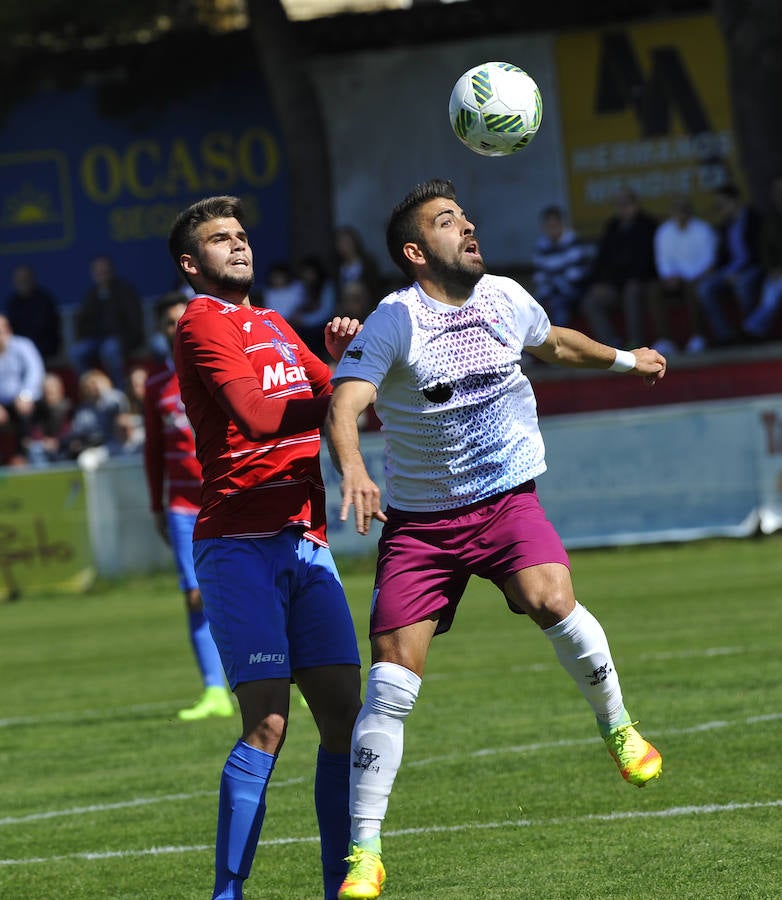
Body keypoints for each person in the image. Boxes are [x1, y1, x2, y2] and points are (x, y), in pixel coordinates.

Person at [324, 179, 665, 900]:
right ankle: (365, 853)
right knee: (390, 680)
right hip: (422, 525)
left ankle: (619, 727)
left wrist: (627, 360)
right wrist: (354, 471)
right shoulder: (394, 320)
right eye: (449, 222)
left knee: (550, 598)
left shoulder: (506, 295)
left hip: (506, 502)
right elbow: (345, 404)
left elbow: (554, 344)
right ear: (417, 252)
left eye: (466, 217)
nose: (469, 227)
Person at [168, 195, 364, 900]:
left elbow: (348, 398)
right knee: (269, 723)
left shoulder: (277, 324)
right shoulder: (199, 323)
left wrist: (357, 361)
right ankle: (228, 895)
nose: (239, 245)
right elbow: (255, 415)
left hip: (306, 541)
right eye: (220, 239)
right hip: (239, 545)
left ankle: (341, 887)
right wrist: (345, 387)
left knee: (345, 710)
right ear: (193, 264)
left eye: (243, 234)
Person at [143, 291, 234, 722]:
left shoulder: (219, 366)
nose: (175, 328)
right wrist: (156, 505)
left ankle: (298, 678)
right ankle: (214, 691)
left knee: (263, 585)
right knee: (195, 596)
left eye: (181, 321)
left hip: (228, 494)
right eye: (168, 323)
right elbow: (154, 450)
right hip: (181, 504)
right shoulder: (155, 386)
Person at [580, 187, 658, 347]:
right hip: (614, 284)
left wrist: (626, 280)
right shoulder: (612, 226)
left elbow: (647, 261)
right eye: (619, 204)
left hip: (641, 281)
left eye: (627, 203)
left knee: (631, 291)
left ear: (636, 204)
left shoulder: (648, 225)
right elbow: (601, 260)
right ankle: (611, 347)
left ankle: (636, 345)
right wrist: (598, 283)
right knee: (590, 301)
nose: (623, 208)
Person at [649, 195, 718, 355]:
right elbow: (662, 260)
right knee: (653, 290)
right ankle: (665, 340)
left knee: (694, 288)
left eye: (684, 209)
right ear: (671, 212)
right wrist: (670, 276)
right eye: (676, 210)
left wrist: (689, 277)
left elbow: (709, 261)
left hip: (697, 277)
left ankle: (698, 336)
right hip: (673, 279)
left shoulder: (703, 230)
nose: (680, 213)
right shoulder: (663, 232)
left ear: (690, 211)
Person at [696, 183, 763, 346]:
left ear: (734, 201)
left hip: (753, 267)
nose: (720, 209)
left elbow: (760, 252)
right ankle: (725, 335)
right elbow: (722, 256)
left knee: (742, 285)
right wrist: (714, 269)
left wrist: (738, 272)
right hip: (729, 271)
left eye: (722, 204)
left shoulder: (755, 219)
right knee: (704, 287)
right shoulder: (724, 226)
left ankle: (751, 331)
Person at [70, 254, 145, 389]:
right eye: (98, 271)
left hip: (122, 339)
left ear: (111, 270)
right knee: (76, 352)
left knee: (110, 349)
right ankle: (91, 389)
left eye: (104, 270)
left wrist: (122, 337)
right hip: (96, 339)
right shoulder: (91, 295)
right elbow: (82, 323)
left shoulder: (124, 290)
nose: (101, 274)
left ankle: (119, 389)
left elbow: (133, 323)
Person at [531, 205, 594, 327]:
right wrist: (545, 294)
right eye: (549, 226)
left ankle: (561, 343)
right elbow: (540, 277)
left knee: (557, 306)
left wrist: (553, 284)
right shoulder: (541, 246)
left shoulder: (574, 241)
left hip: (576, 292)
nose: (552, 229)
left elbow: (575, 276)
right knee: (533, 306)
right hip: (552, 292)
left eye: (555, 225)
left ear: (562, 224)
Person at [0, 314, 46, 464]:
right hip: (2, 405)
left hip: (25, 401)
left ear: (8, 330)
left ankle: (27, 455)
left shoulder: (23, 345)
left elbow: (35, 371)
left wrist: (25, 395)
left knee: (24, 410)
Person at [743, 175, 782, 341]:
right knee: (771, 293)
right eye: (777, 191)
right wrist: (772, 268)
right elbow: (765, 250)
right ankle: (752, 330)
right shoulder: (769, 219)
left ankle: (750, 329)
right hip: (775, 271)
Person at [4, 264, 62, 363]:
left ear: (32, 279)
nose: (22, 282)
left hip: (43, 344)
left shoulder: (44, 299)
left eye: (25, 278)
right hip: (19, 345)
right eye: (19, 279)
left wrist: (25, 344)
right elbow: (10, 327)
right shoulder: (13, 302)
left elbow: (46, 327)